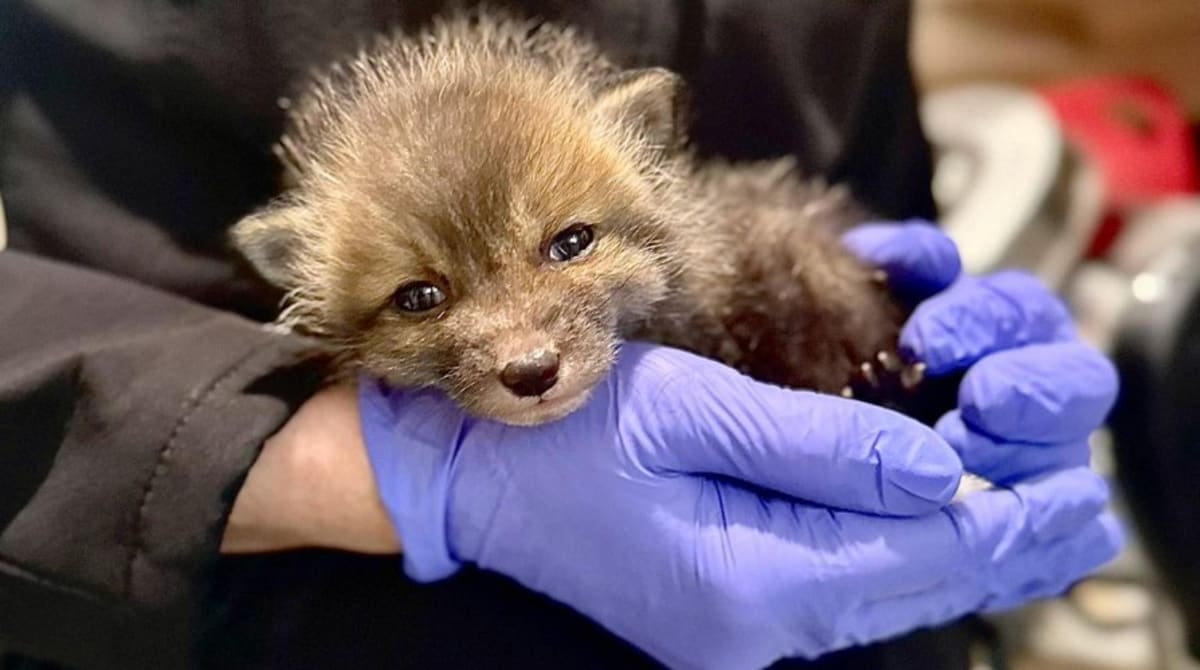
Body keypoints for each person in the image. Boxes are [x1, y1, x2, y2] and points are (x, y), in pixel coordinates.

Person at [0, 1, 1120, 669]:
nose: (522, 350)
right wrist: (366, 472)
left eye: (565, 246)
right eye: (423, 300)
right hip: (300, 615)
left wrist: (929, 354)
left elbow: (850, 131)